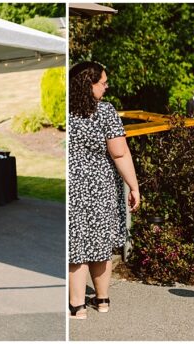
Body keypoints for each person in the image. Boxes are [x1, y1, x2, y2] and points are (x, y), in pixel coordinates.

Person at [67, 62, 140, 320]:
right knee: (100, 243)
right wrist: (134, 186)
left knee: (76, 247)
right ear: (89, 84)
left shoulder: (66, 113)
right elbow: (119, 152)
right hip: (100, 187)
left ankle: (77, 307)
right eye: (103, 82)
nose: (107, 87)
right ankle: (102, 300)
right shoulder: (105, 111)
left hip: (72, 187)